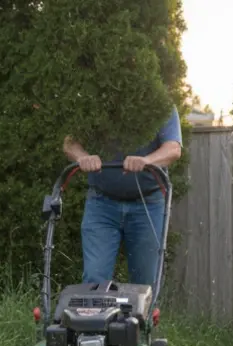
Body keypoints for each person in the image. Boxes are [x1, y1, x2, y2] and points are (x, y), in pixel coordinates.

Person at [63, 105, 182, 287]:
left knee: (146, 283)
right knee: (94, 279)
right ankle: (96, 315)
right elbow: (70, 143)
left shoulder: (160, 103)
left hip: (148, 205)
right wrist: (83, 157)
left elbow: (173, 149)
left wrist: (146, 161)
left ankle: (144, 316)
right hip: (101, 204)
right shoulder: (95, 102)